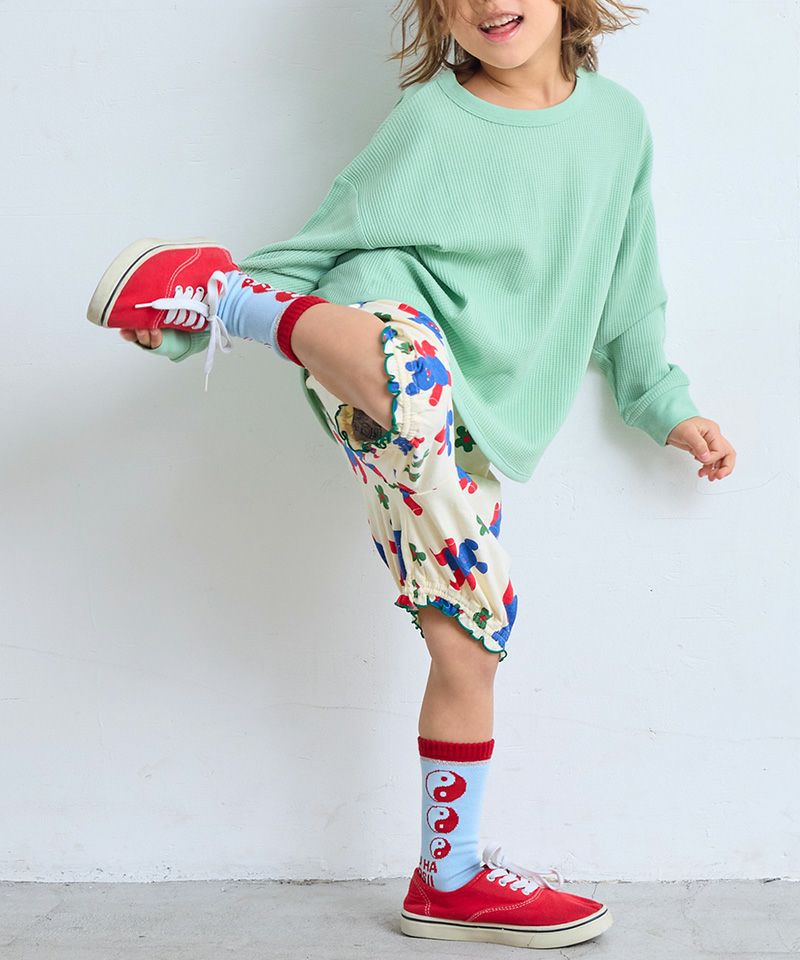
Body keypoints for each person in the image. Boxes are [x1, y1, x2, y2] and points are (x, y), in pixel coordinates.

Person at [86, 0, 736, 949]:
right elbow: (325, 242)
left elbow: (630, 287)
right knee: (413, 376)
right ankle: (221, 295)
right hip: (381, 337)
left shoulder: (616, 125)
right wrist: (186, 328)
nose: (486, 3)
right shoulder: (433, 119)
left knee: (476, 632)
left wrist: (665, 402)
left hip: (473, 410)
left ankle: (449, 877)